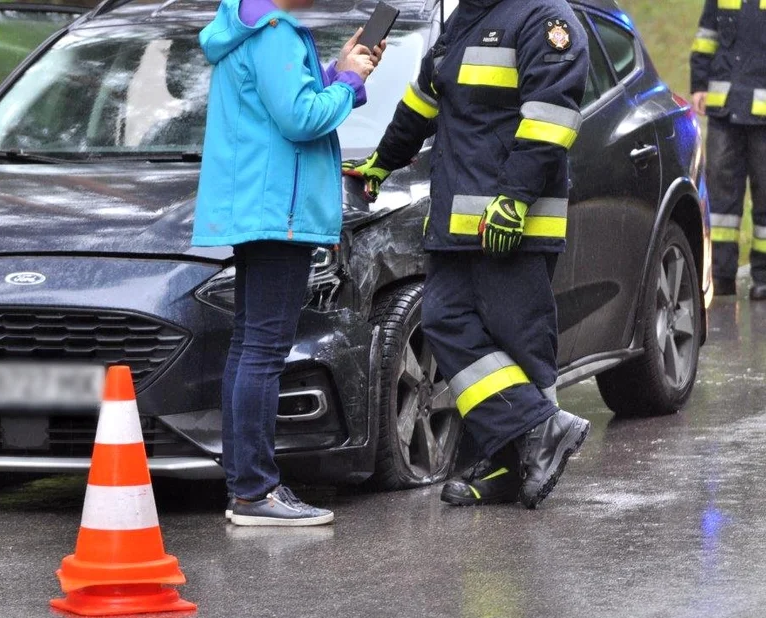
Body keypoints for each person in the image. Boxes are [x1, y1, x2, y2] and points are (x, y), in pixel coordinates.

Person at [343, 0, 590, 508]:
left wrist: (514, 201)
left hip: (511, 224)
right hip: (456, 221)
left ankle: (512, 463)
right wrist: (379, 165)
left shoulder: (546, 18)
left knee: (519, 342)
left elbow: (551, 119)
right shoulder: (464, 18)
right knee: (444, 321)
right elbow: (421, 105)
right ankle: (538, 432)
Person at [194, 0, 382, 525]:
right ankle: (256, 492)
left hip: (260, 207)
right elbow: (300, 119)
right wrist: (345, 82)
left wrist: (334, 72)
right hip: (279, 211)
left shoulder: (250, 26)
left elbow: (279, 102)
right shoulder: (275, 32)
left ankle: (247, 488)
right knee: (264, 350)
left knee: (249, 346)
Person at [690, 0, 766, 301]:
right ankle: (719, 277)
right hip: (725, 113)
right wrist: (699, 84)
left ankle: (763, 277)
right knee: (720, 202)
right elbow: (706, 37)